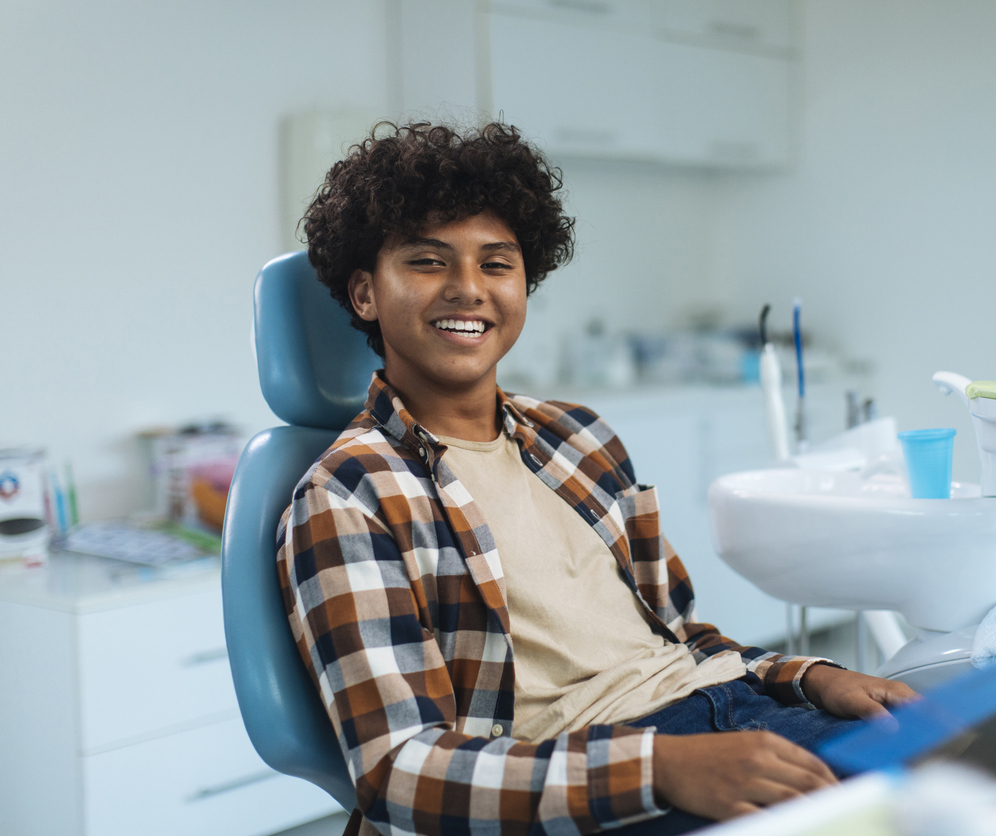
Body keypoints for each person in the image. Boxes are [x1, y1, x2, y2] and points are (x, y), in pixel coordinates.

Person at [277, 121, 917, 836]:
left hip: (737, 716)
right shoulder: (346, 495)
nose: (468, 289)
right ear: (365, 294)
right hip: (591, 784)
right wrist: (659, 769)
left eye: (496, 264)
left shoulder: (577, 438)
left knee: (981, 773)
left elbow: (675, 638)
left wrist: (809, 677)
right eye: (428, 263)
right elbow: (400, 770)